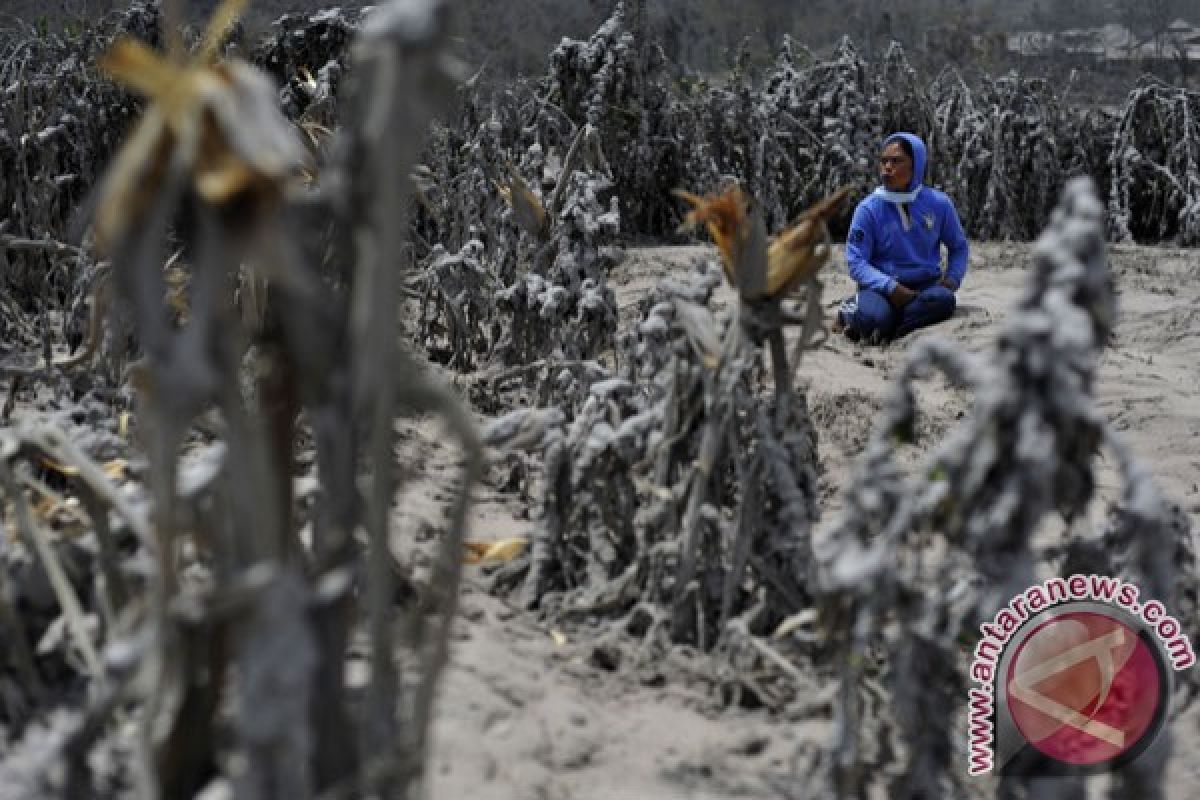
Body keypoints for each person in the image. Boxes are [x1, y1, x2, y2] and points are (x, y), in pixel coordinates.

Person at [835, 132, 968, 342]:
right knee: (874, 319)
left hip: (922, 291)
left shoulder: (939, 204)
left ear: (916, 165)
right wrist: (891, 288)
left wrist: (951, 279)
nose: (887, 168)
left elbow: (959, 246)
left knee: (944, 300)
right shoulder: (869, 209)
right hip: (880, 289)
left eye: (896, 161)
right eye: (884, 161)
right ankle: (851, 312)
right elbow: (856, 262)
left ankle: (892, 328)